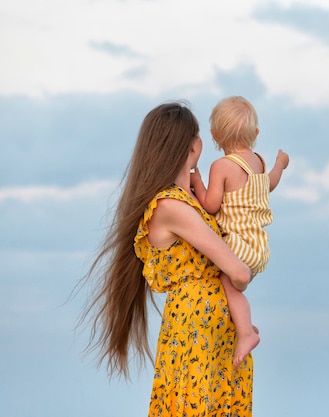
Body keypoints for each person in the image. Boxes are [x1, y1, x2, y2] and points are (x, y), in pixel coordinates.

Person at [81, 102, 254, 416]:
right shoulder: (172, 206)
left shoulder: (186, 201)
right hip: (199, 328)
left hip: (207, 326)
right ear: (193, 145)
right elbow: (239, 273)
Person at [190, 96, 289, 369]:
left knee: (227, 283)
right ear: (256, 134)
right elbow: (269, 184)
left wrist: (196, 179)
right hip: (257, 246)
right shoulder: (258, 162)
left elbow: (210, 205)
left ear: (213, 135)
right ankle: (242, 324)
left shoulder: (221, 166)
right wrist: (280, 163)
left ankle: (245, 333)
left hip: (236, 244)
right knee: (233, 290)